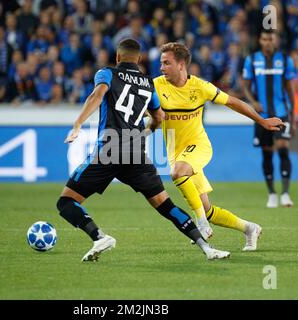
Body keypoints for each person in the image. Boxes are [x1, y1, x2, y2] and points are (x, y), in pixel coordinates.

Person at [56, 38, 231, 262]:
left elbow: (97, 96)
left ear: (118, 57)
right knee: (165, 205)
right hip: (136, 152)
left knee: (66, 202)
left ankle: (99, 237)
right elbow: (159, 117)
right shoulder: (149, 83)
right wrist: (146, 132)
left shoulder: (107, 73)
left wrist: (77, 124)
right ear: (139, 59)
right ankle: (207, 248)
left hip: (109, 149)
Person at [153, 42, 283, 250]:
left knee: (178, 173)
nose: (161, 68)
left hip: (199, 146)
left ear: (180, 64)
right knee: (207, 209)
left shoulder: (200, 87)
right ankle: (249, 228)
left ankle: (201, 224)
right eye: (161, 63)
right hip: (176, 152)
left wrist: (262, 121)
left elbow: (234, 102)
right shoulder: (156, 86)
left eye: (166, 63)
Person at [242, 29, 297, 208]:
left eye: (270, 39)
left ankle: (286, 194)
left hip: (282, 112)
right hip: (262, 116)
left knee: (283, 148)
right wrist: (253, 102)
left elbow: (290, 89)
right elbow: (245, 86)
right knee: (267, 153)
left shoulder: (285, 59)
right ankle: (272, 193)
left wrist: (293, 118)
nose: (267, 42)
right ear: (260, 40)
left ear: (276, 40)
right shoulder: (252, 60)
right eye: (264, 38)